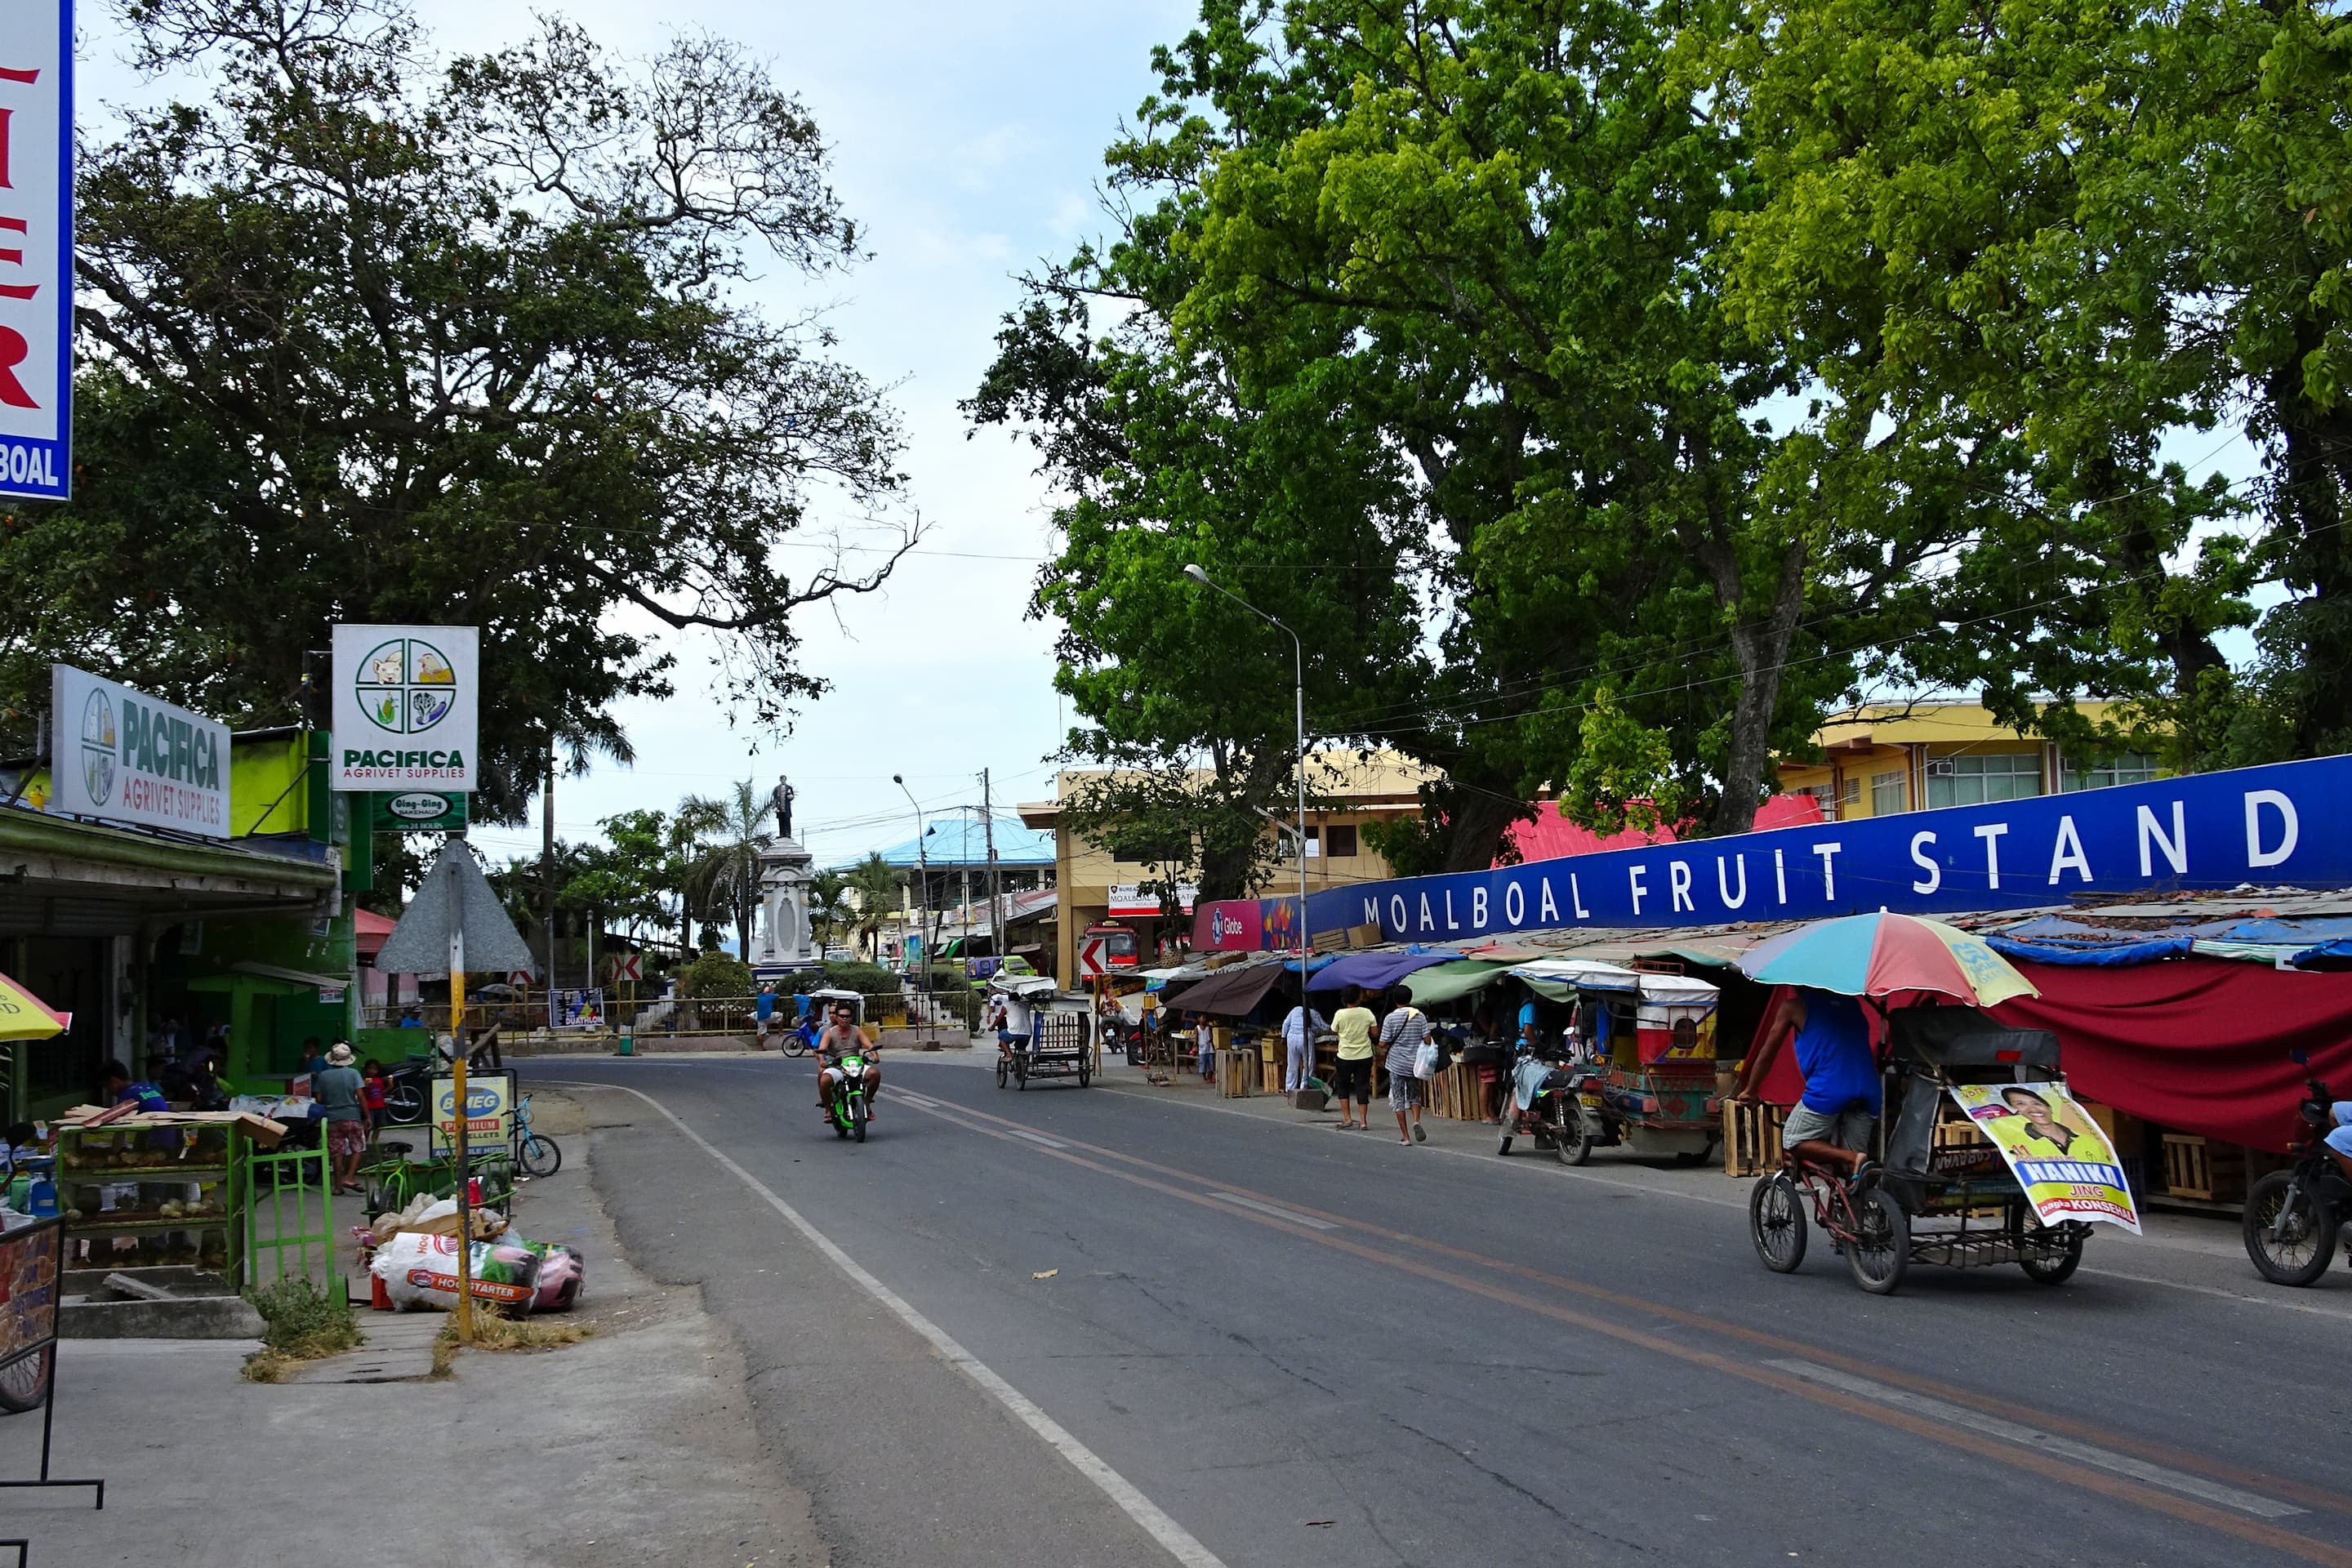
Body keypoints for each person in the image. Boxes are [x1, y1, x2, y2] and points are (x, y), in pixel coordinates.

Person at [1730, 987, 1879, 1180]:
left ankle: (1849, 1156)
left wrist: (1750, 1090)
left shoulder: (1793, 1007)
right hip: (1869, 1089)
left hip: (1830, 1090)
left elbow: (1768, 1052)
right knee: (1854, 1174)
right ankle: (1862, 1204)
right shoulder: (1852, 1004)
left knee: (1793, 1139)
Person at [311, 1043, 368, 1195]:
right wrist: (367, 1116)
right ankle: (349, 1177)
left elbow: (319, 1099)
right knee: (358, 1147)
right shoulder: (354, 1074)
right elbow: (361, 1096)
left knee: (337, 1153)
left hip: (332, 1119)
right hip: (352, 1117)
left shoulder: (323, 1076)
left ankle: (337, 1187)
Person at [814, 1000, 880, 1122]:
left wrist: (874, 1055)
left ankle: (866, 1103)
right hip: (837, 1066)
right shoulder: (829, 1033)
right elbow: (822, 1049)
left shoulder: (857, 1030)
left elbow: (868, 1044)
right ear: (837, 1017)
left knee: (875, 1074)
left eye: (847, 1016)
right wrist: (822, 1061)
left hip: (856, 1064)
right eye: (842, 1016)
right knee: (824, 1080)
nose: (844, 1019)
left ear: (851, 1018)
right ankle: (828, 1110)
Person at [1380, 987, 1432, 1145]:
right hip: (1414, 1064)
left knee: (1398, 1099)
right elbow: (1428, 1040)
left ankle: (1406, 1136)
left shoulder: (1390, 1018)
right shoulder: (1420, 1016)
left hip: (1396, 1064)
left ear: (1395, 1000)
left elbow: (1382, 1042)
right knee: (1414, 1096)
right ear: (1410, 998)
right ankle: (1416, 1120)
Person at [1329, 987, 1379, 1130]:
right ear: (1359, 998)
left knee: (1343, 1086)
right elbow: (1375, 1033)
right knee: (1362, 1087)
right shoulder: (1367, 1013)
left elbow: (1334, 1029)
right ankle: (1363, 1121)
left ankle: (1348, 1119)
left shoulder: (1340, 1014)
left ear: (1344, 999)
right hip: (1364, 1055)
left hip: (1345, 1056)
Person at [1999, 1087, 2091, 1156]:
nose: (2033, 1108)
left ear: (2050, 1108)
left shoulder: (2088, 1141)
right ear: (2017, 1111)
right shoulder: (2017, 1143)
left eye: (2037, 1103)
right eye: (2021, 1104)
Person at [1281, 997, 1329, 1096]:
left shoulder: (1294, 1010)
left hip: (1292, 1037)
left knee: (1292, 1064)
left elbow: (1285, 1023)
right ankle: (1304, 1086)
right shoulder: (1313, 1012)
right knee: (1308, 1063)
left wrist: (1283, 1037)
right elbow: (1324, 1027)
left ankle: (1289, 1089)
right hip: (1305, 1037)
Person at [360, 1058, 389, 1134]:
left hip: (380, 1106)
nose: (372, 1071)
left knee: (379, 1126)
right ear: (366, 1069)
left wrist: (390, 1087)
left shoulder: (379, 1080)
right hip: (369, 1108)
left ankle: (375, 1140)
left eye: (374, 1069)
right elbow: (362, 1095)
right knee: (368, 1126)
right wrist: (365, 1086)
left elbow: (382, 1093)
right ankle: (365, 1142)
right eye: (370, 1068)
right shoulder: (362, 1081)